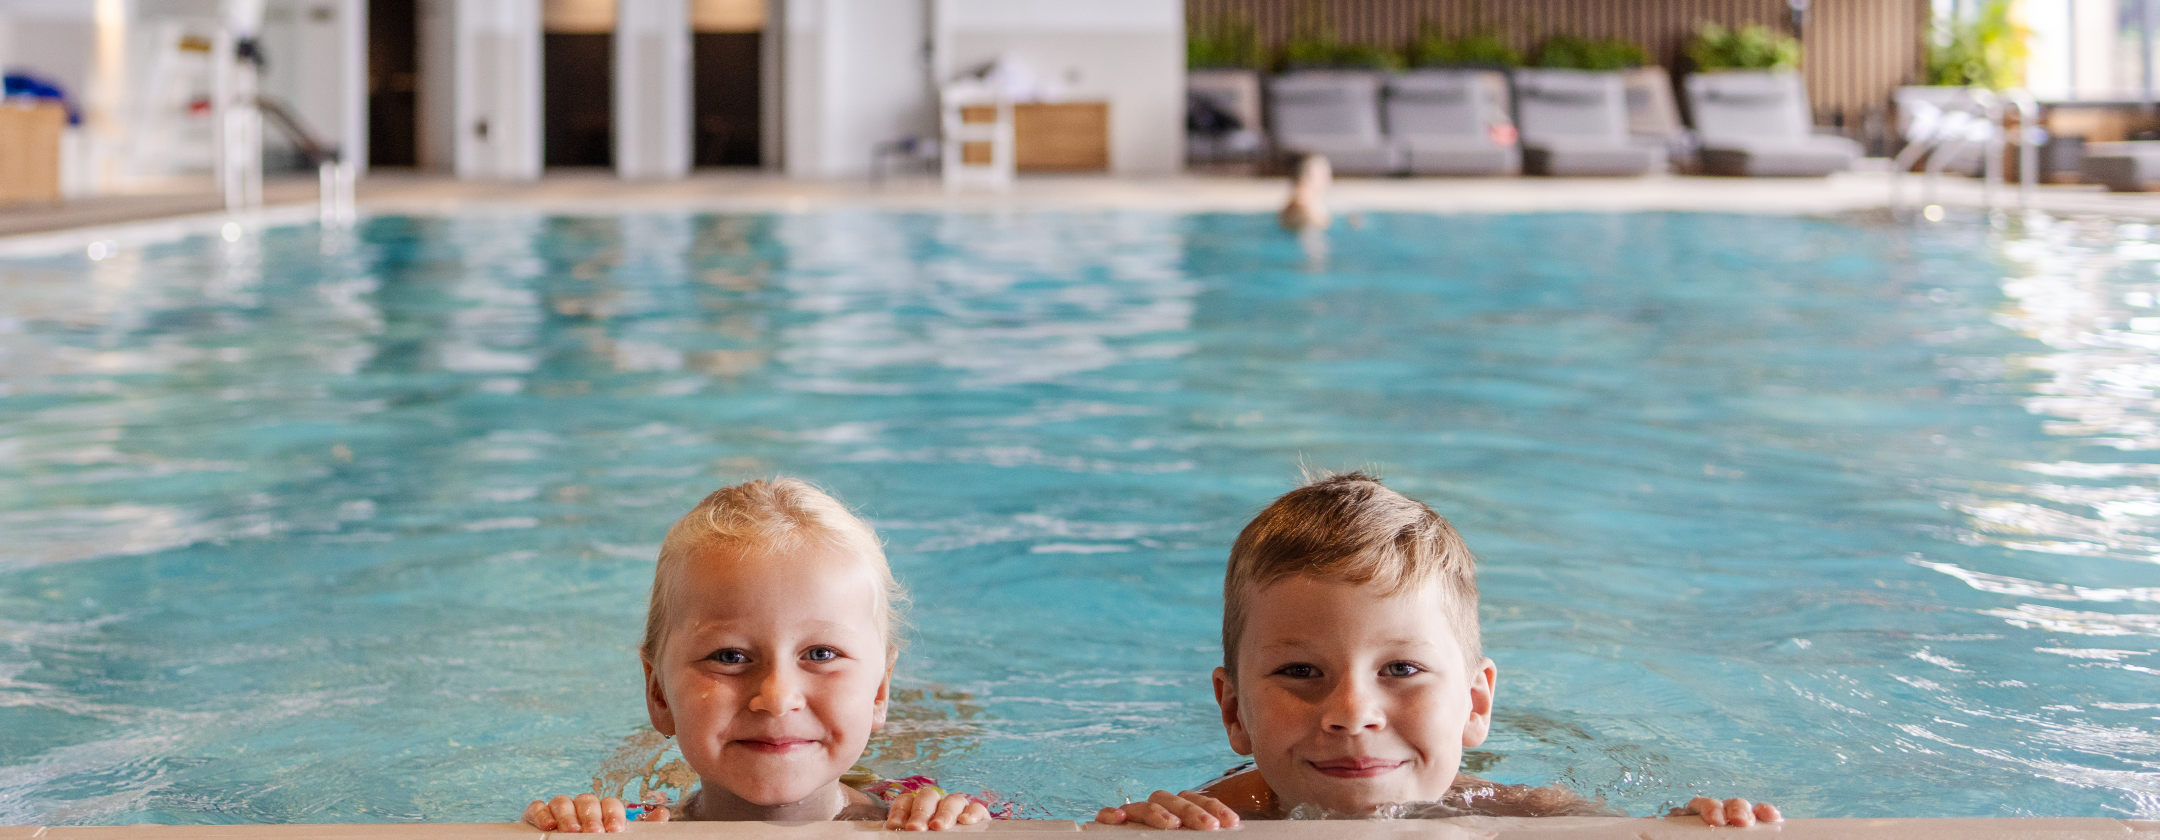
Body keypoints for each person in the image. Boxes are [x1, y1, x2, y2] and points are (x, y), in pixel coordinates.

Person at [1095, 472, 1783, 829]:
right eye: (1301, 671)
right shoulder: (1221, 816)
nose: (1350, 713)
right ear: (1234, 709)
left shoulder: (1524, 812)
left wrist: (1691, 828)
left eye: (1401, 669)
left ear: (1476, 703)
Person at [523, 479, 992, 833]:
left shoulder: (911, 813)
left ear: (880, 692)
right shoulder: (636, 823)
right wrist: (571, 821)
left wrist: (958, 820)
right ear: (658, 693)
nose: (776, 697)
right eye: (729, 656)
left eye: (821, 653)